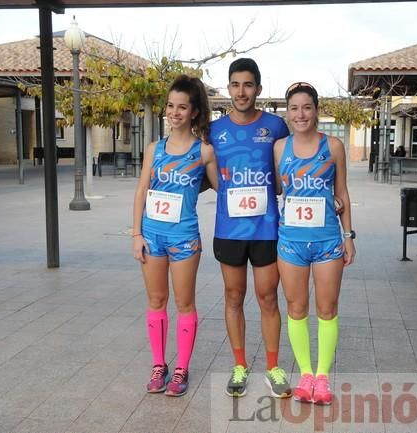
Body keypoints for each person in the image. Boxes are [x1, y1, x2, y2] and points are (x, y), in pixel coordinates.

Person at [209, 58, 292, 398]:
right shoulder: (214, 131)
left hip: (266, 229)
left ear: (258, 88)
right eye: (234, 84)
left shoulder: (276, 126)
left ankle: (273, 366)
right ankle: (240, 365)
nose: (241, 92)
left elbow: (291, 168)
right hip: (229, 230)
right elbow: (208, 175)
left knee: (268, 297)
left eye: (247, 85)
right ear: (228, 88)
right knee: (233, 296)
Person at [133, 75, 218, 397]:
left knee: (184, 303)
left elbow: (219, 186)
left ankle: (181, 368)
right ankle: (159, 365)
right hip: (152, 236)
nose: (174, 112)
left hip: (184, 237)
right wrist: (136, 233)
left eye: (182, 107)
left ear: (194, 111)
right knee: (156, 301)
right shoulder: (154, 149)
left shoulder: (204, 151)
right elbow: (142, 190)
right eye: (171, 106)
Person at [274, 82, 355, 405]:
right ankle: (305, 374)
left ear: (316, 110)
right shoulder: (279, 148)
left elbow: (343, 192)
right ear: (288, 113)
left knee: (327, 308)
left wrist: (348, 236)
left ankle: (322, 377)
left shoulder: (333, 146)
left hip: (327, 241)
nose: (300, 114)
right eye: (294, 108)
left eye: (306, 107)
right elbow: (276, 190)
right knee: (296, 308)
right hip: (291, 242)